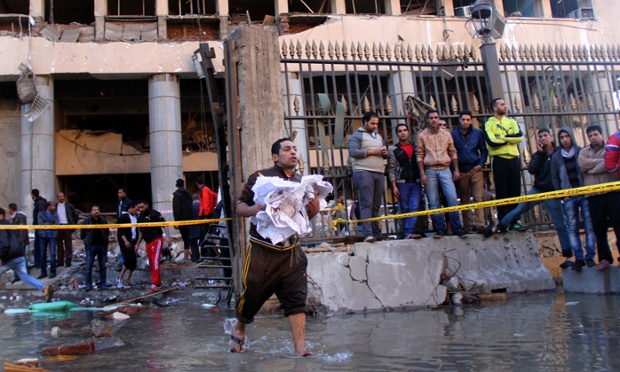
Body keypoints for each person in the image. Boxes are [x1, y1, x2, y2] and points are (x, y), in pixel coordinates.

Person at [230, 138, 320, 356]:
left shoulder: (302, 182)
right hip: (263, 250)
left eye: (295, 149)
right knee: (252, 295)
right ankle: (240, 325)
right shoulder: (261, 177)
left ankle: (300, 349)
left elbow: (301, 217)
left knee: (297, 298)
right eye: (287, 149)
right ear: (275, 156)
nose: (292, 153)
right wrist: (257, 208)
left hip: (291, 252)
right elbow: (239, 207)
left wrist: (314, 211)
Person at [485, 128, 573, 266]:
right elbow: (531, 169)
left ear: (551, 137)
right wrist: (539, 153)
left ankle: (568, 257)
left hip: (553, 192)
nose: (543, 138)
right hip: (538, 189)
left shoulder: (558, 153)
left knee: (560, 223)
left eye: (545, 135)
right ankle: (499, 226)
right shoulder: (539, 154)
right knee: (519, 209)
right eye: (540, 136)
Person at [551, 126, 596, 271]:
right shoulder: (557, 156)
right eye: (562, 137)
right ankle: (579, 258)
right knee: (572, 228)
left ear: (571, 136)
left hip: (584, 194)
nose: (565, 140)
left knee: (589, 227)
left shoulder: (581, 151)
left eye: (567, 136)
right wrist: (562, 193)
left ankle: (590, 257)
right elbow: (555, 177)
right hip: (569, 196)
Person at [416, 110, 467, 238]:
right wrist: (422, 173)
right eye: (431, 118)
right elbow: (420, 155)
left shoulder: (446, 134)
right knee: (434, 202)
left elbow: (453, 152)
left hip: (445, 168)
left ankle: (456, 228)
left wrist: (455, 170)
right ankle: (439, 229)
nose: (434, 120)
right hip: (430, 169)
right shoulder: (421, 135)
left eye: (436, 117)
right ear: (427, 119)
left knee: (452, 198)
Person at [578, 125, 620, 270]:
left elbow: (610, 162)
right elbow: (582, 165)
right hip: (594, 196)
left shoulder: (612, 148)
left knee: (618, 226)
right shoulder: (584, 152)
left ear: (602, 135)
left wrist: (593, 169)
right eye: (590, 135)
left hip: (613, 192)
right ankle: (604, 258)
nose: (593, 137)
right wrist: (602, 164)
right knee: (598, 228)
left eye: (595, 134)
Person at [483, 98, 525, 230]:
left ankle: (515, 221)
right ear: (495, 108)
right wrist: (509, 139)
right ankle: (503, 222)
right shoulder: (489, 124)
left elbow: (519, 137)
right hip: (499, 160)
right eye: (502, 104)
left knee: (515, 191)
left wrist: (502, 138)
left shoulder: (511, 121)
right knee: (502, 192)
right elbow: (492, 143)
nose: (505, 106)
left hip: (513, 159)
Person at [348, 111, 387, 243]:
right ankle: (367, 234)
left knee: (376, 205)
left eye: (377, 123)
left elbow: (382, 152)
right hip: (363, 172)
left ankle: (377, 234)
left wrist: (384, 153)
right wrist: (373, 152)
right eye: (372, 123)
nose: (375, 126)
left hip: (379, 172)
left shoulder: (378, 136)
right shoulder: (357, 135)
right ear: (364, 121)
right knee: (366, 204)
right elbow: (353, 152)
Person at [0, 208, 53, 302]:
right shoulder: (9, 224)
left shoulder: (2, 226)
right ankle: (44, 288)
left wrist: (0, 257)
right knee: (24, 276)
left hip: (9, 257)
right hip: (19, 254)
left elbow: (5, 244)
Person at [451, 110, 488, 234]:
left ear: (471, 120)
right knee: (464, 199)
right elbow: (451, 152)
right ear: (459, 120)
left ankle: (480, 225)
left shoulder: (477, 133)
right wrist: (455, 169)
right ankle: (466, 226)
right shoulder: (453, 134)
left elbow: (484, 150)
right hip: (461, 171)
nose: (465, 122)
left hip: (475, 169)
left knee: (478, 197)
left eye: (468, 119)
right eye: (463, 119)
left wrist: (481, 164)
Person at [388, 123, 422, 239]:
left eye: (405, 130)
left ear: (408, 132)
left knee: (414, 207)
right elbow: (391, 169)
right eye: (400, 131)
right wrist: (394, 185)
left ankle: (409, 232)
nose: (403, 132)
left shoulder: (416, 146)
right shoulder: (394, 150)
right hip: (402, 182)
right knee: (405, 208)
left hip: (416, 181)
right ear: (397, 134)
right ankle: (407, 232)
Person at [136, 200, 171, 292]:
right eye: (139, 207)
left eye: (142, 207)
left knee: (155, 261)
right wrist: (137, 244)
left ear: (146, 206)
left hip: (156, 239)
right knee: (151, 263)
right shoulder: (140, 218)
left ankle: (155, 284)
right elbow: (141, 232)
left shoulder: (154, 213)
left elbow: (165, 224)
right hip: (148, 242)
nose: (140, 209)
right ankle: (158, 284)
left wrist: (168, 237)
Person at [80, 205, 109, 290]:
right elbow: (82, 233)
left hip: (101, 246)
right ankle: (88, 285)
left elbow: (106, 233)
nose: (96, 211)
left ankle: (103, 284)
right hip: (91, 246)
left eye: (97, 210)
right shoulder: (87, 221)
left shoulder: (103, 221)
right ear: (91, 212)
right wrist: (86, 241)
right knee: (89, 267)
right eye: (94, 210)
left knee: (102, 266)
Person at [116, 201, 139, 288]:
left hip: (132, 241)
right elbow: (120, 231)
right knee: (128, 260)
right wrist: (125, 241)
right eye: (136, 209)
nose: (137, 211)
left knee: (133, 261)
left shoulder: (135, 218)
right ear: (131, 208)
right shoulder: (124, 218)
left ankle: (128, 280)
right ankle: (120, 278)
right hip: (125, 242)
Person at [55, 192, 79, 268]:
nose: (61, 198)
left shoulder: (69, 206)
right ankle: (60, 261)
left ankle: (68, 261)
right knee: (59, 245)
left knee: (68, 244)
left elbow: (76, 215)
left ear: (64, 197)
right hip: (58, 227)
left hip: (67, 226)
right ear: (57, 198)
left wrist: (74, 224)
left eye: (62, 196)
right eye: (60, 196)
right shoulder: (55, 207)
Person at [172, 178, 194, 262]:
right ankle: (190, 255)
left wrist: (176, 221)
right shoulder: (188, 194)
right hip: (190, 219)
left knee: (185, 238)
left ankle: (185, 257)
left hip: (182, 219)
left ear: (176, 185)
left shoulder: (177, 195)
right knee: (188, 238)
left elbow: (177, 208)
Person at [37, 201, 59, 279]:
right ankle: (43, 272)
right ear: (48, 206)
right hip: (43, 235)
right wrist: (50, 224)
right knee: (43, 254)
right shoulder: (41, 214)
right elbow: (40, 224)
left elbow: (56, 224)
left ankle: (53, 271)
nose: (53, 207)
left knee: (52, 254)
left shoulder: (55, 214)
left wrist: (46, 224)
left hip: (52, 236)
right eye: (52, 206)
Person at [9, 203, 30, 277]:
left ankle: (26, 273)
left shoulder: (19, 217)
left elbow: (22, 230)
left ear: (11, 209)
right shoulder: (12, 218)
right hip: (15, 242)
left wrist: (21, 241)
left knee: (22, 258)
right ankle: (17, 275)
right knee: (16, 259)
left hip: (19, 242)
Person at [31, 189, 47, 268]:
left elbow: (40, 216)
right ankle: (39, 262)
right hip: (39, 228)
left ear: (33, 195)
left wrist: (38, 226)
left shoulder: (40, 203)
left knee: (38, 246)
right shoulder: (40, 202)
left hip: (40, 229)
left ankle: (39, 263)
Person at [188, 194, 202, 262]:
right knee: (202, 243)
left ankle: (195, 258)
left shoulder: (191, 207)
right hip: (201, 227)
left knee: (193, 244)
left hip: (192, 229)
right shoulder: (201, 205)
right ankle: (205, 256)